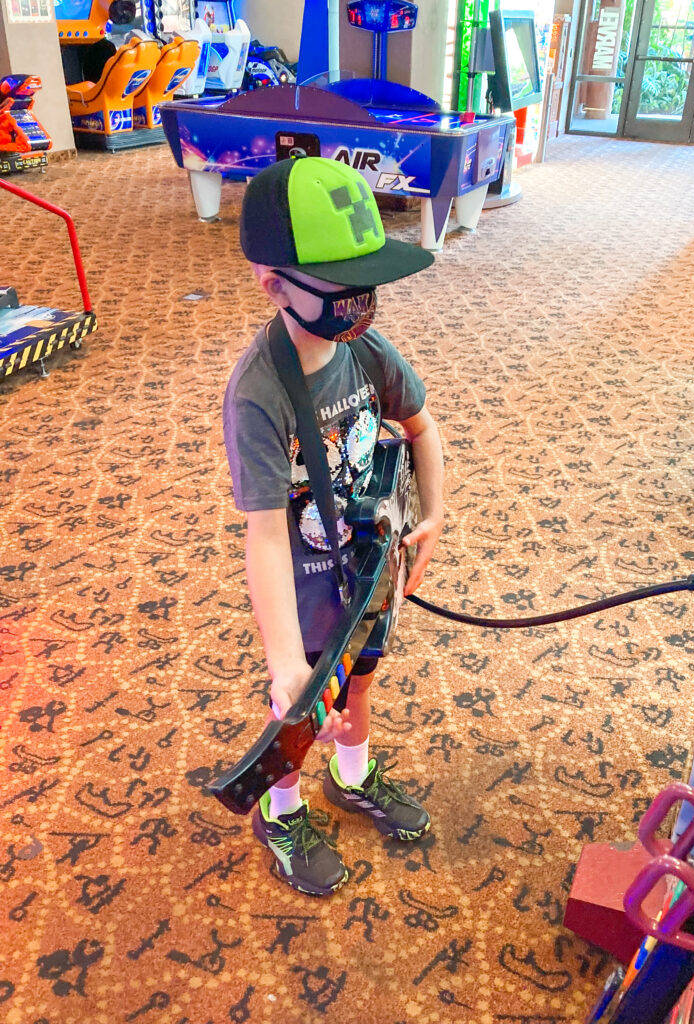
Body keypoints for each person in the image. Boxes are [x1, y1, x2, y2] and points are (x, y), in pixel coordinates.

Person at [223, 156, 445, 897]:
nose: (361, 303)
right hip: (308, 588)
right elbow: (261, 534)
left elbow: (422, 428)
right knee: (302, 707)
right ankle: (280, 811)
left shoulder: (366, 351)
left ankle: (352, 777)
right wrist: (285, 659)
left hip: (370, 566)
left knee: (362, 684)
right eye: (341, 288)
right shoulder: (258, 394)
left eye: (367, 282)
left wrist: (435, 516)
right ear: (273, 282)